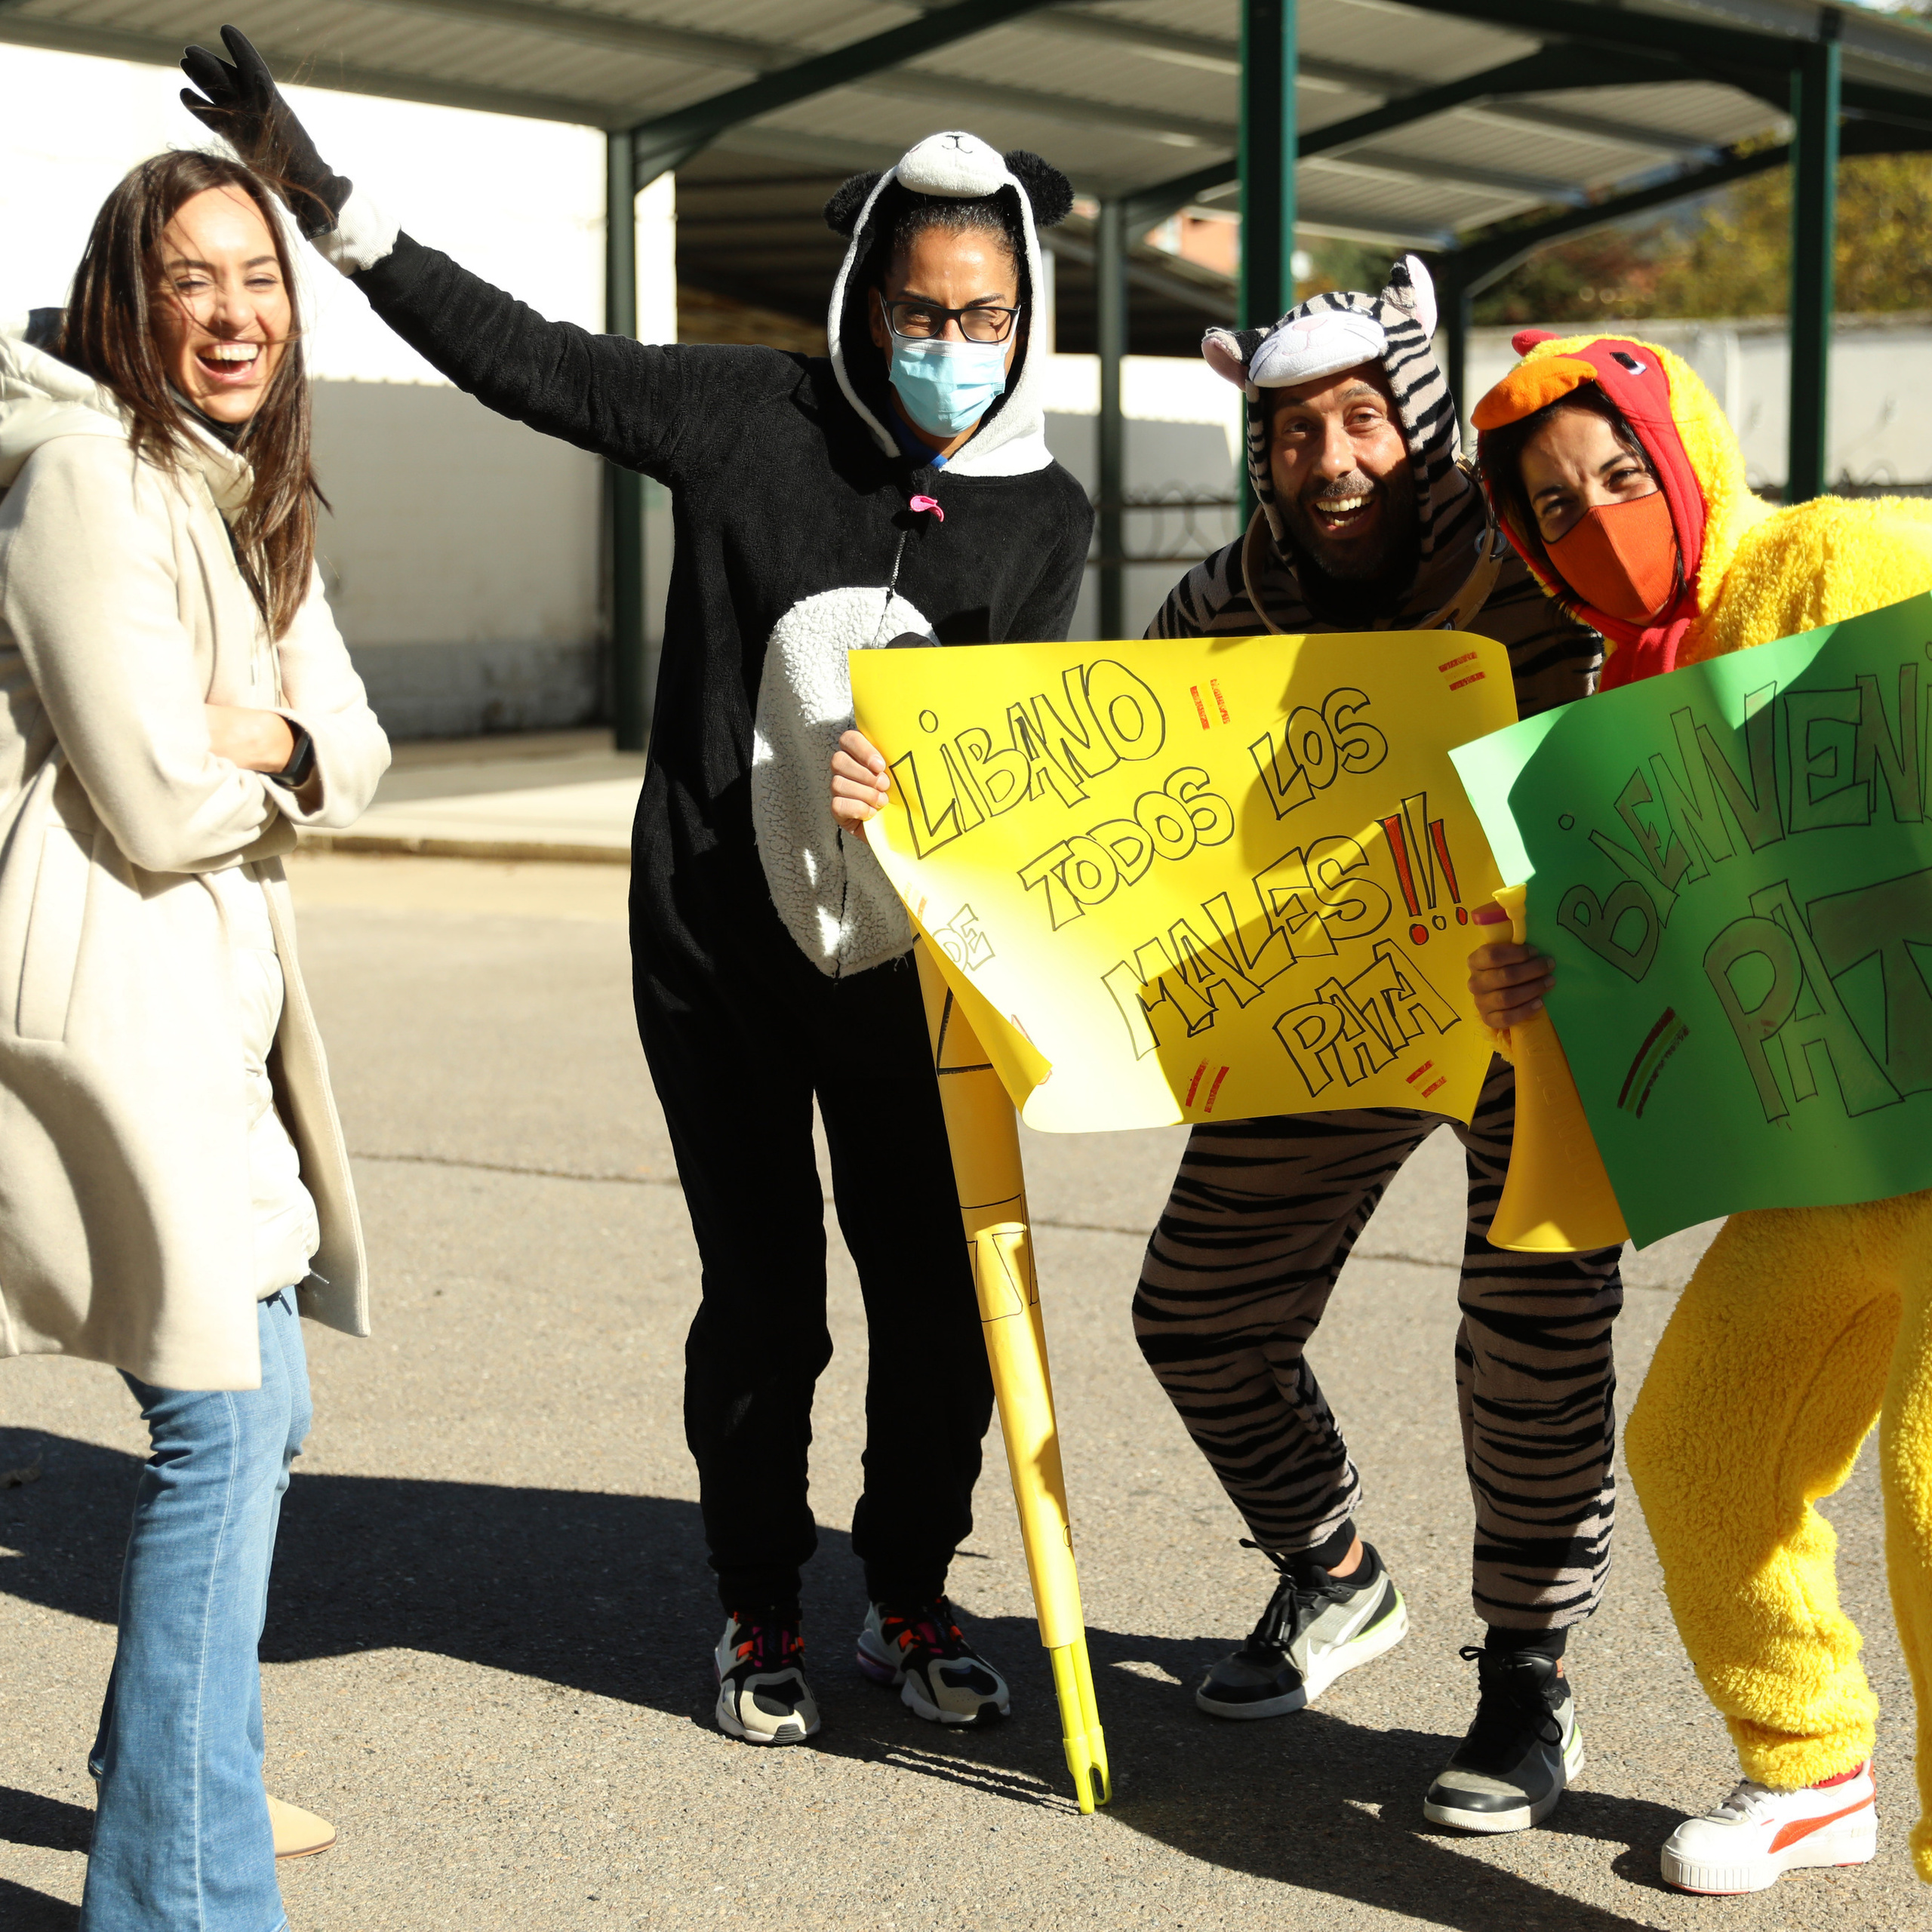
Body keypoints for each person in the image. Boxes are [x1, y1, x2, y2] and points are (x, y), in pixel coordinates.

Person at [177, 31, 1093, 1745]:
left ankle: (904, 1587)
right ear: (863, 293)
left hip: (915, 977)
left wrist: (944, 801)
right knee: (763, 1302)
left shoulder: (1044, 511)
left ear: (1026, 316)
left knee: (932, 1303)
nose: (947, 346)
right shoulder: (751, 419)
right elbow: (529, 360)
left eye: (981, 318)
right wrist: (321, 202)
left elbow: (1034, 759)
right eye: (918, 308)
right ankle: (756, 1601)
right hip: (716, 951)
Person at [1469, 328, 1932, 1895]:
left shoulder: (1826, 557)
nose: (1590, 518)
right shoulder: (1615, 695)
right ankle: (1806, 1765)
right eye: (1548, 505)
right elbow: (1645, 948)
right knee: (1698, 1450)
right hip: (1826, 1154)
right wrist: (1530, 983)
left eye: (1615, 471)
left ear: (1686, 455)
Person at [0, 151, 389, 1927]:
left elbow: (355, 742)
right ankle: (173, 1886)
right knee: (221, 1424)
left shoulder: (245, 493)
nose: (234, 312)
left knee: (268, 1396)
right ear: (125, 293)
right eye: (191, 277)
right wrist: (251, 739)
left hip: (203, 1004)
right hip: (114, 1000)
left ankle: (178, 1763)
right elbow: (155, 795)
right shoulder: (84, 477)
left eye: (263, 278)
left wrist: (280, 739)